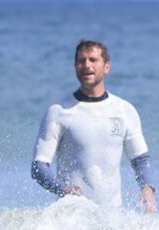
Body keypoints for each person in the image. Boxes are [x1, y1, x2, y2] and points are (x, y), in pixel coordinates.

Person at [31, 39, 156, 213]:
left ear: (106, 67)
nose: (86, 65)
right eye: (81, 60)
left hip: (113, 217)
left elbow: (140, 159)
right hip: (71, 218)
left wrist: (147, 190)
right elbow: (39, 167)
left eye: (93, 59)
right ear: (75, 66)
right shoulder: (59, 111)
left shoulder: (124, 110)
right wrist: (62, 189)